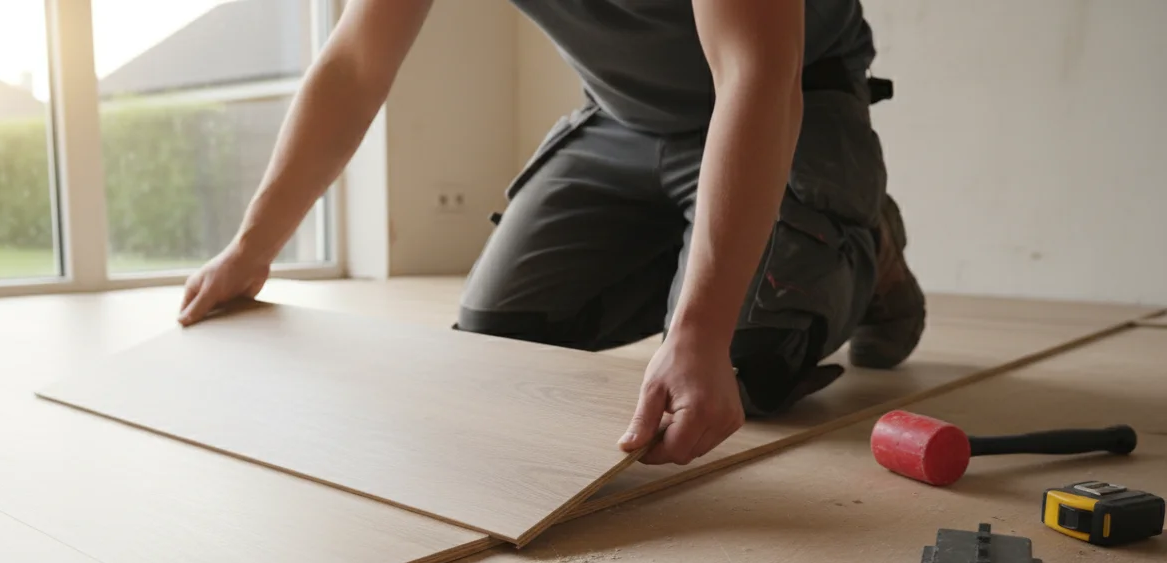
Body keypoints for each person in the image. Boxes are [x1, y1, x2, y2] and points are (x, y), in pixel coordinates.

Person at [176, 0, 925, 468]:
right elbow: (354, 65)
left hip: (791, 102)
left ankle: (867, 244)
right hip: (625, 123)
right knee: (496, 347)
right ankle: (724, 247)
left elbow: (756, 73)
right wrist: (252, 248)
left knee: (741, 365)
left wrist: (698, 332)